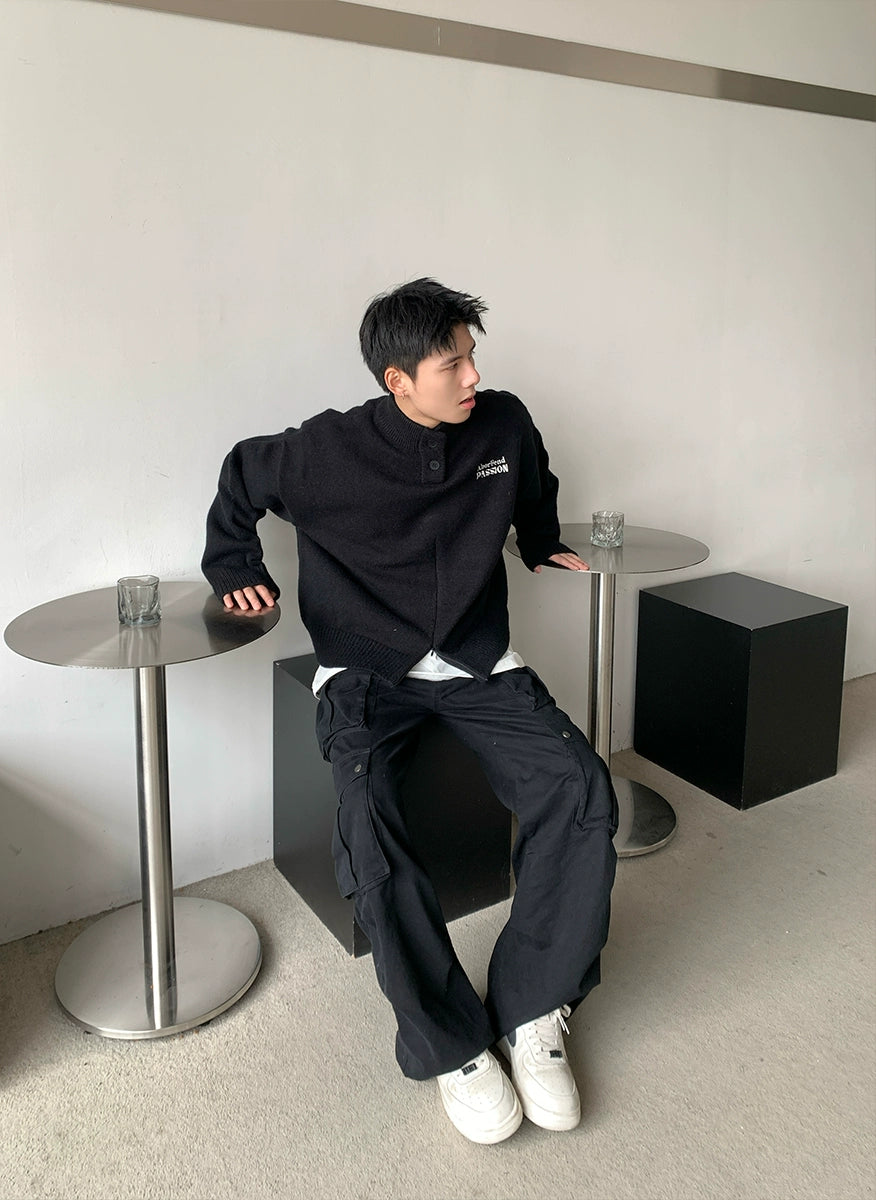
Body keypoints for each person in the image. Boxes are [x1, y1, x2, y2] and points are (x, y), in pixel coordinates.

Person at [202, 278, 618, 1144]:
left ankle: (535, 1006)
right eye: (451, 364)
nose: (473, 376)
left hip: (476, 660)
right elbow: (242, 471)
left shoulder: (501, 424)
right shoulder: (324, 452)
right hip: (366, 671)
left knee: (579, 788)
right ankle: (450, 1043)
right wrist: (233, 561)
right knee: (368, 830)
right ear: (398, 381)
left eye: (472, 356)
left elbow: (532, 481)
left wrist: (541, 539)